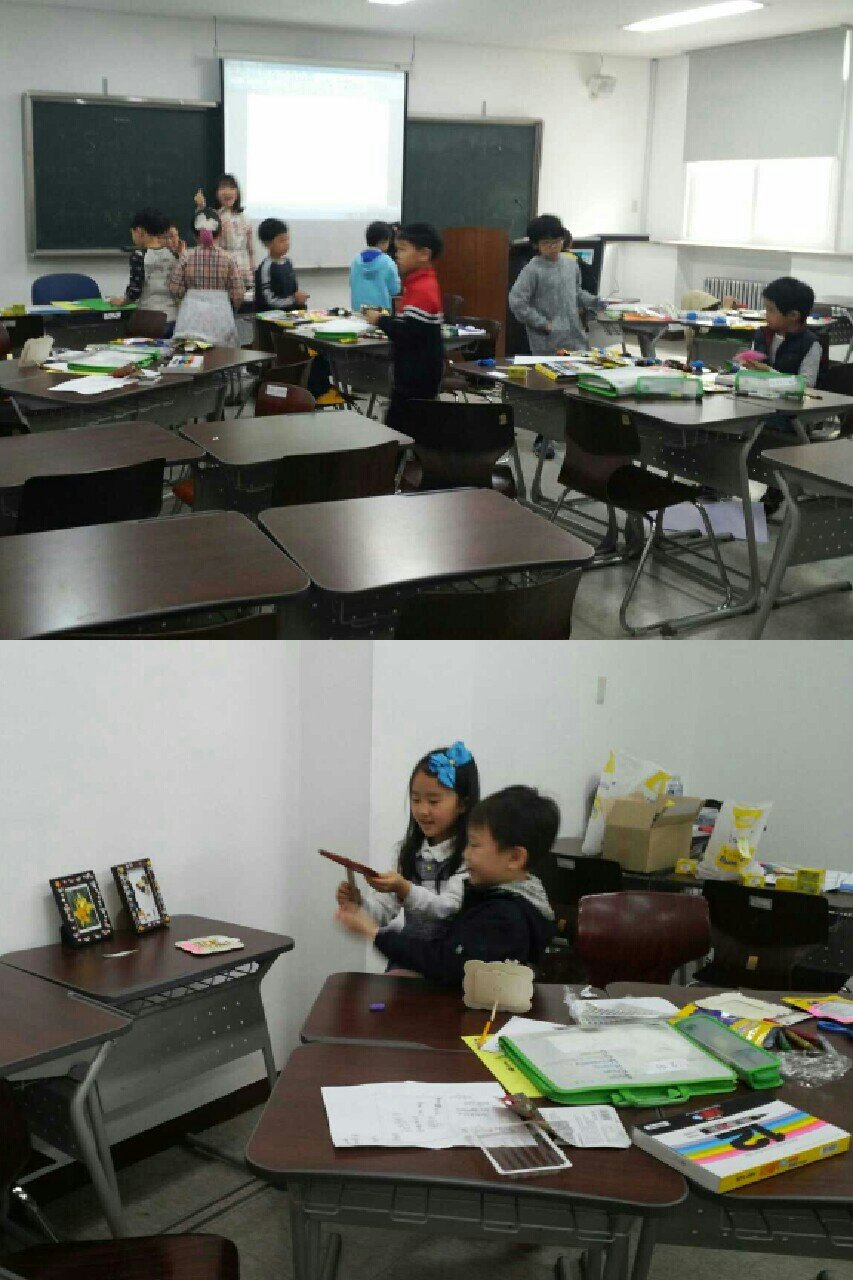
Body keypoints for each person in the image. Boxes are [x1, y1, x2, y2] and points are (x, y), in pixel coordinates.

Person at [336, 785, 558, 987]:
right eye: (415, 799)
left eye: (475, 845)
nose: (466, 853)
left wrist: (374, 933)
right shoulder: (488, 891)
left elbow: (445, 962)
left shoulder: (505, 917)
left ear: (515, 858)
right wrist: (362, 909)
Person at [336, 742, 479, 943]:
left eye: (433, 801)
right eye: (415, 799)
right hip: (410, 955)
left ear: (463, 804)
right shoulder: (408, 852)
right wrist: (359, 906)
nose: (422, 810)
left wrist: (405, 889)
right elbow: (385, 909)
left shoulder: (471, 856)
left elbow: (448, 909)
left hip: (450, 959)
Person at [509, 214, 599, 457]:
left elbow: (577, 293)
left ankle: (576, 436)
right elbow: (517, 302)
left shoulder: (570, 264)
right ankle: (543, 438)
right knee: (551, 392)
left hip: (575, 335)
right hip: (547, 340)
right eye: (547, 243)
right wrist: (543, 324)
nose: (553, 247)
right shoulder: (532, 270)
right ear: (535, 245)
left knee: (579, 386)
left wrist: (595, 301)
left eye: (557, 241)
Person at [363, 222, 444, 433]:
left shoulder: (423, 288)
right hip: (412, 372)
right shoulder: (416, 283)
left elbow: (408, 333)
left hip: (417, 377)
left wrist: (380, 320)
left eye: (402, 249)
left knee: (399, 432)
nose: (397, 255)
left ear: (424, 254)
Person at [169, 209, 244, 346]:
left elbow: (175, 289)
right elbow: (238, 294)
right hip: (221, 314)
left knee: (191, 352)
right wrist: (232, 305)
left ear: (194, 235)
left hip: (191, 315)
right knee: (222, 354)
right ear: (220, 233)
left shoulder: (186, 257)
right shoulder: (228, 259)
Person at [750, 277, 823, 388]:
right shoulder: (762, 334)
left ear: (793, 315)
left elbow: (806, 384)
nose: (766, 314)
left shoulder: (810, 344)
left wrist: (769, 372)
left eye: (771, 310)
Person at [110, 207, 176, 322]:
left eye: (132, 233)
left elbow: (135, 291)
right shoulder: (173, 254)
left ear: (139, 231)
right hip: (173, 316)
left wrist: (123, 301)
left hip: (149, 318)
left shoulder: (139, 256)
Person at [194, 174, 255, 295]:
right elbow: (202, 241)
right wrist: (201, 208)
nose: (227, 191)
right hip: (222, 269)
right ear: (216, 193)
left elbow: (250, 249)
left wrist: (253, 270)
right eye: (223, 188)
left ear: (237, 192)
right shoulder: (213, 216)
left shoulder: (244, 218)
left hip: (243, 270)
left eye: (232, 187)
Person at [255, 218, 309, 312]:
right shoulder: (266, 267)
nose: (286, 244)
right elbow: (269, 300)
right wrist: (294, 300)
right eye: (281, 241)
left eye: (287, 239)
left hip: (290, 314)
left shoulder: (288, 262)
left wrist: (300, 299)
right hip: (271, 317)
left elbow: (294, 290)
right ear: (267, 244)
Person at [350, 220, 401, 313]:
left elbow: (352, 283)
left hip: (358, 311)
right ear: (385, 241)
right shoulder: (387, 262)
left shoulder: (356, 260)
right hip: (380, 314)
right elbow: (395, 289)